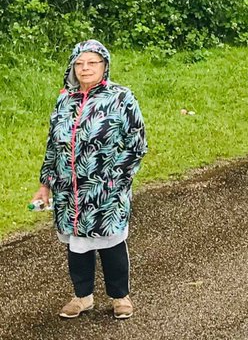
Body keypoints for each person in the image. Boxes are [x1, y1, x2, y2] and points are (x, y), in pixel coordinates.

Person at [33, 41, 147, 321]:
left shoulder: (121, 97)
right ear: (73, 67)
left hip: (106, 190)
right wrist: (45, 185)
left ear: (104, 66)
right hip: (68, 191)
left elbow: (136, 145)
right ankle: (82, 297)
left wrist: (115, 181)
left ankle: (120, 297)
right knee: (77, 245)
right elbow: (53, 146)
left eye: (92, 63)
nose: (85, 68)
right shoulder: (65, 100)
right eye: (79, 63)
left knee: (111, 244)